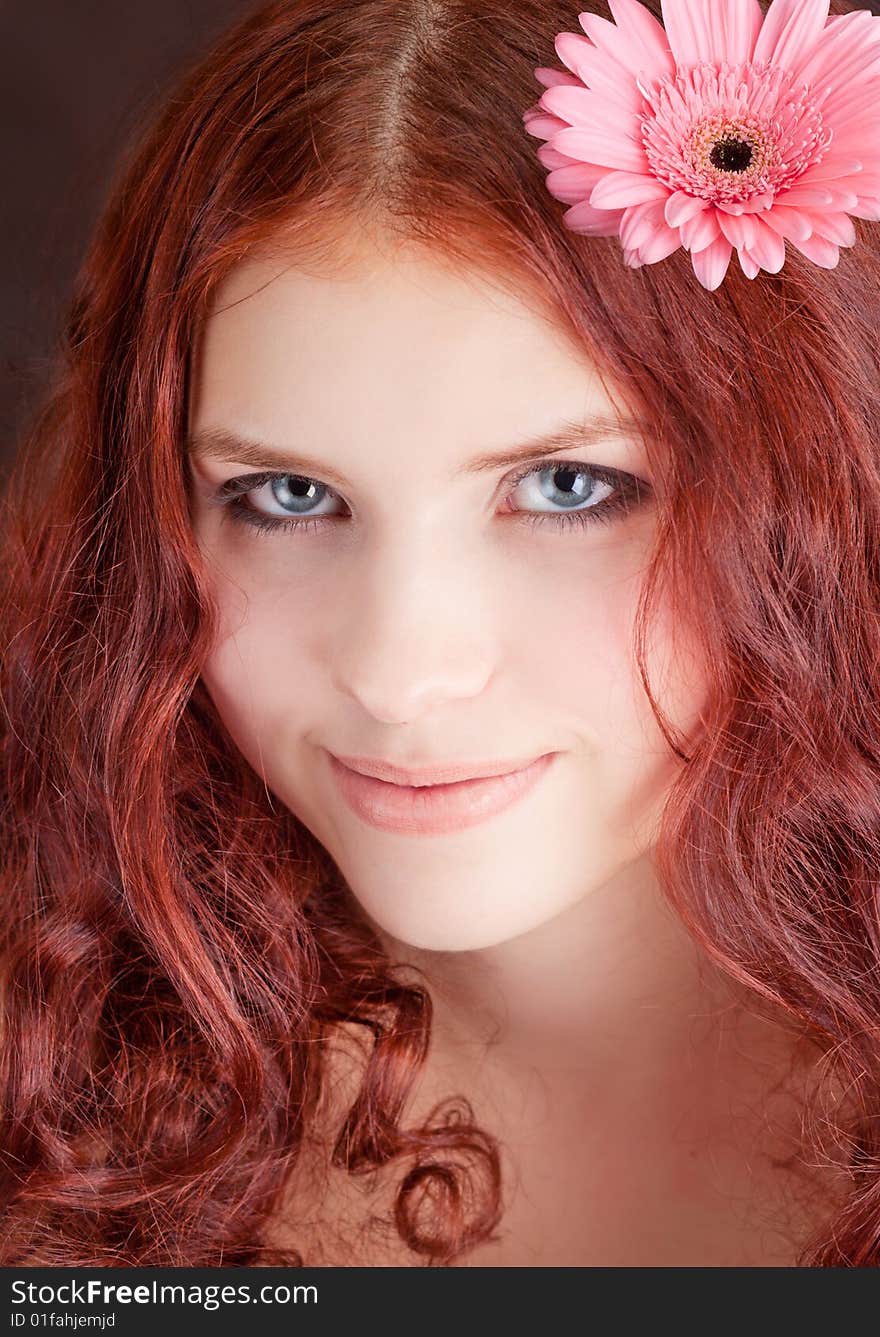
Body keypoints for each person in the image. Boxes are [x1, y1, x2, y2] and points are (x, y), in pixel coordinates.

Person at [1, 0, 878, 1267]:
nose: (401, 674)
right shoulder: (52, 1096)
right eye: (286, 497)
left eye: (570, 487)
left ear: (818, 500)